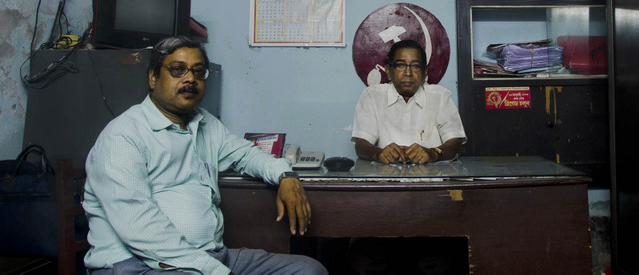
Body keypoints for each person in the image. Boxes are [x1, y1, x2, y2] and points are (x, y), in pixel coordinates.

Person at [82, 36, 327, 274]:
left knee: (308, 269)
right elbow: (140, 229)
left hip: (209, 256)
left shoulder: (205, 123)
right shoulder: (123, 136)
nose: (190, 78)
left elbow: (246, 155)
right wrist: (212, 270)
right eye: (178, 70)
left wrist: (285, 175)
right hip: (142, 264)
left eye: (199, 72)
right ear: (153, 77)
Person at [352, 39, 466, 164]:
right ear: (388, 71)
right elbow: (361, 145)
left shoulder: (440, 96)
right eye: (400, 65)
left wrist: (433, 153)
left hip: (432, 179)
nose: (408, 73)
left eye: (416, 66)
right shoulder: (372, 96)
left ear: (425, 72)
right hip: (386, 179)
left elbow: (456, 144)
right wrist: (378, 153)